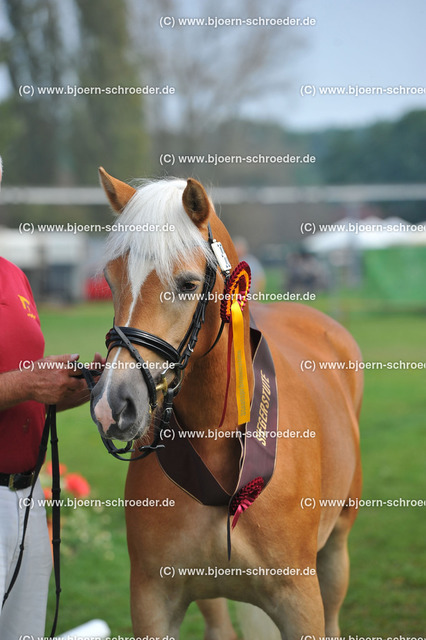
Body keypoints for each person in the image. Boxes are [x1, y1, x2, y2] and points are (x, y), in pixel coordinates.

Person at [0, 156, 102, 638]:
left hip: (26, 495)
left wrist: (79, 385)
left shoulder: (13, 276)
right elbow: (20, 384)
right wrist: (25, 382)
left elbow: (29, 395)